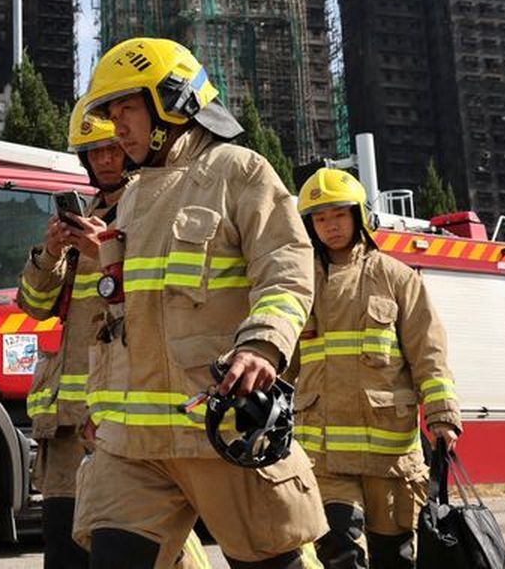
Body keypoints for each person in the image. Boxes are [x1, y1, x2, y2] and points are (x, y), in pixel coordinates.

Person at [72, 37, 327, 569]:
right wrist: (100, 404)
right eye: (111, 113)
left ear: (172, 99)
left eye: (127, 109)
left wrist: (262, 343)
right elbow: (117, 317)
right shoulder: (134, 194)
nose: (117, 127)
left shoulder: (240, 170)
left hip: (220, 423)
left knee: (272, 562)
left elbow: (286, 264)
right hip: (133, 446)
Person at [17, 99, 210, 569]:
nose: (104, 159)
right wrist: (50, 253)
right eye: (93, 152)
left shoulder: (153, 211)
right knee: (64, 551)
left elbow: (161, 303)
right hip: (69, 418)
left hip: (128, 411)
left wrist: (107, 250)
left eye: (111, 149)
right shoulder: (82, 217)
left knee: (148, 548)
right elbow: (34, 305)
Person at [294, 168, 461, 569]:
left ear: (358, 216)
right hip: (324, 454)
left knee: (395, 558)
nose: (329, 227)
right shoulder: (299, 285)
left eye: (337, 215)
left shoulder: (397, 278)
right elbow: (282, 357)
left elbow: (429, 352)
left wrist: (442, 416)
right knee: (339, 548)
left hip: (388, 456)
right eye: (319, 219)